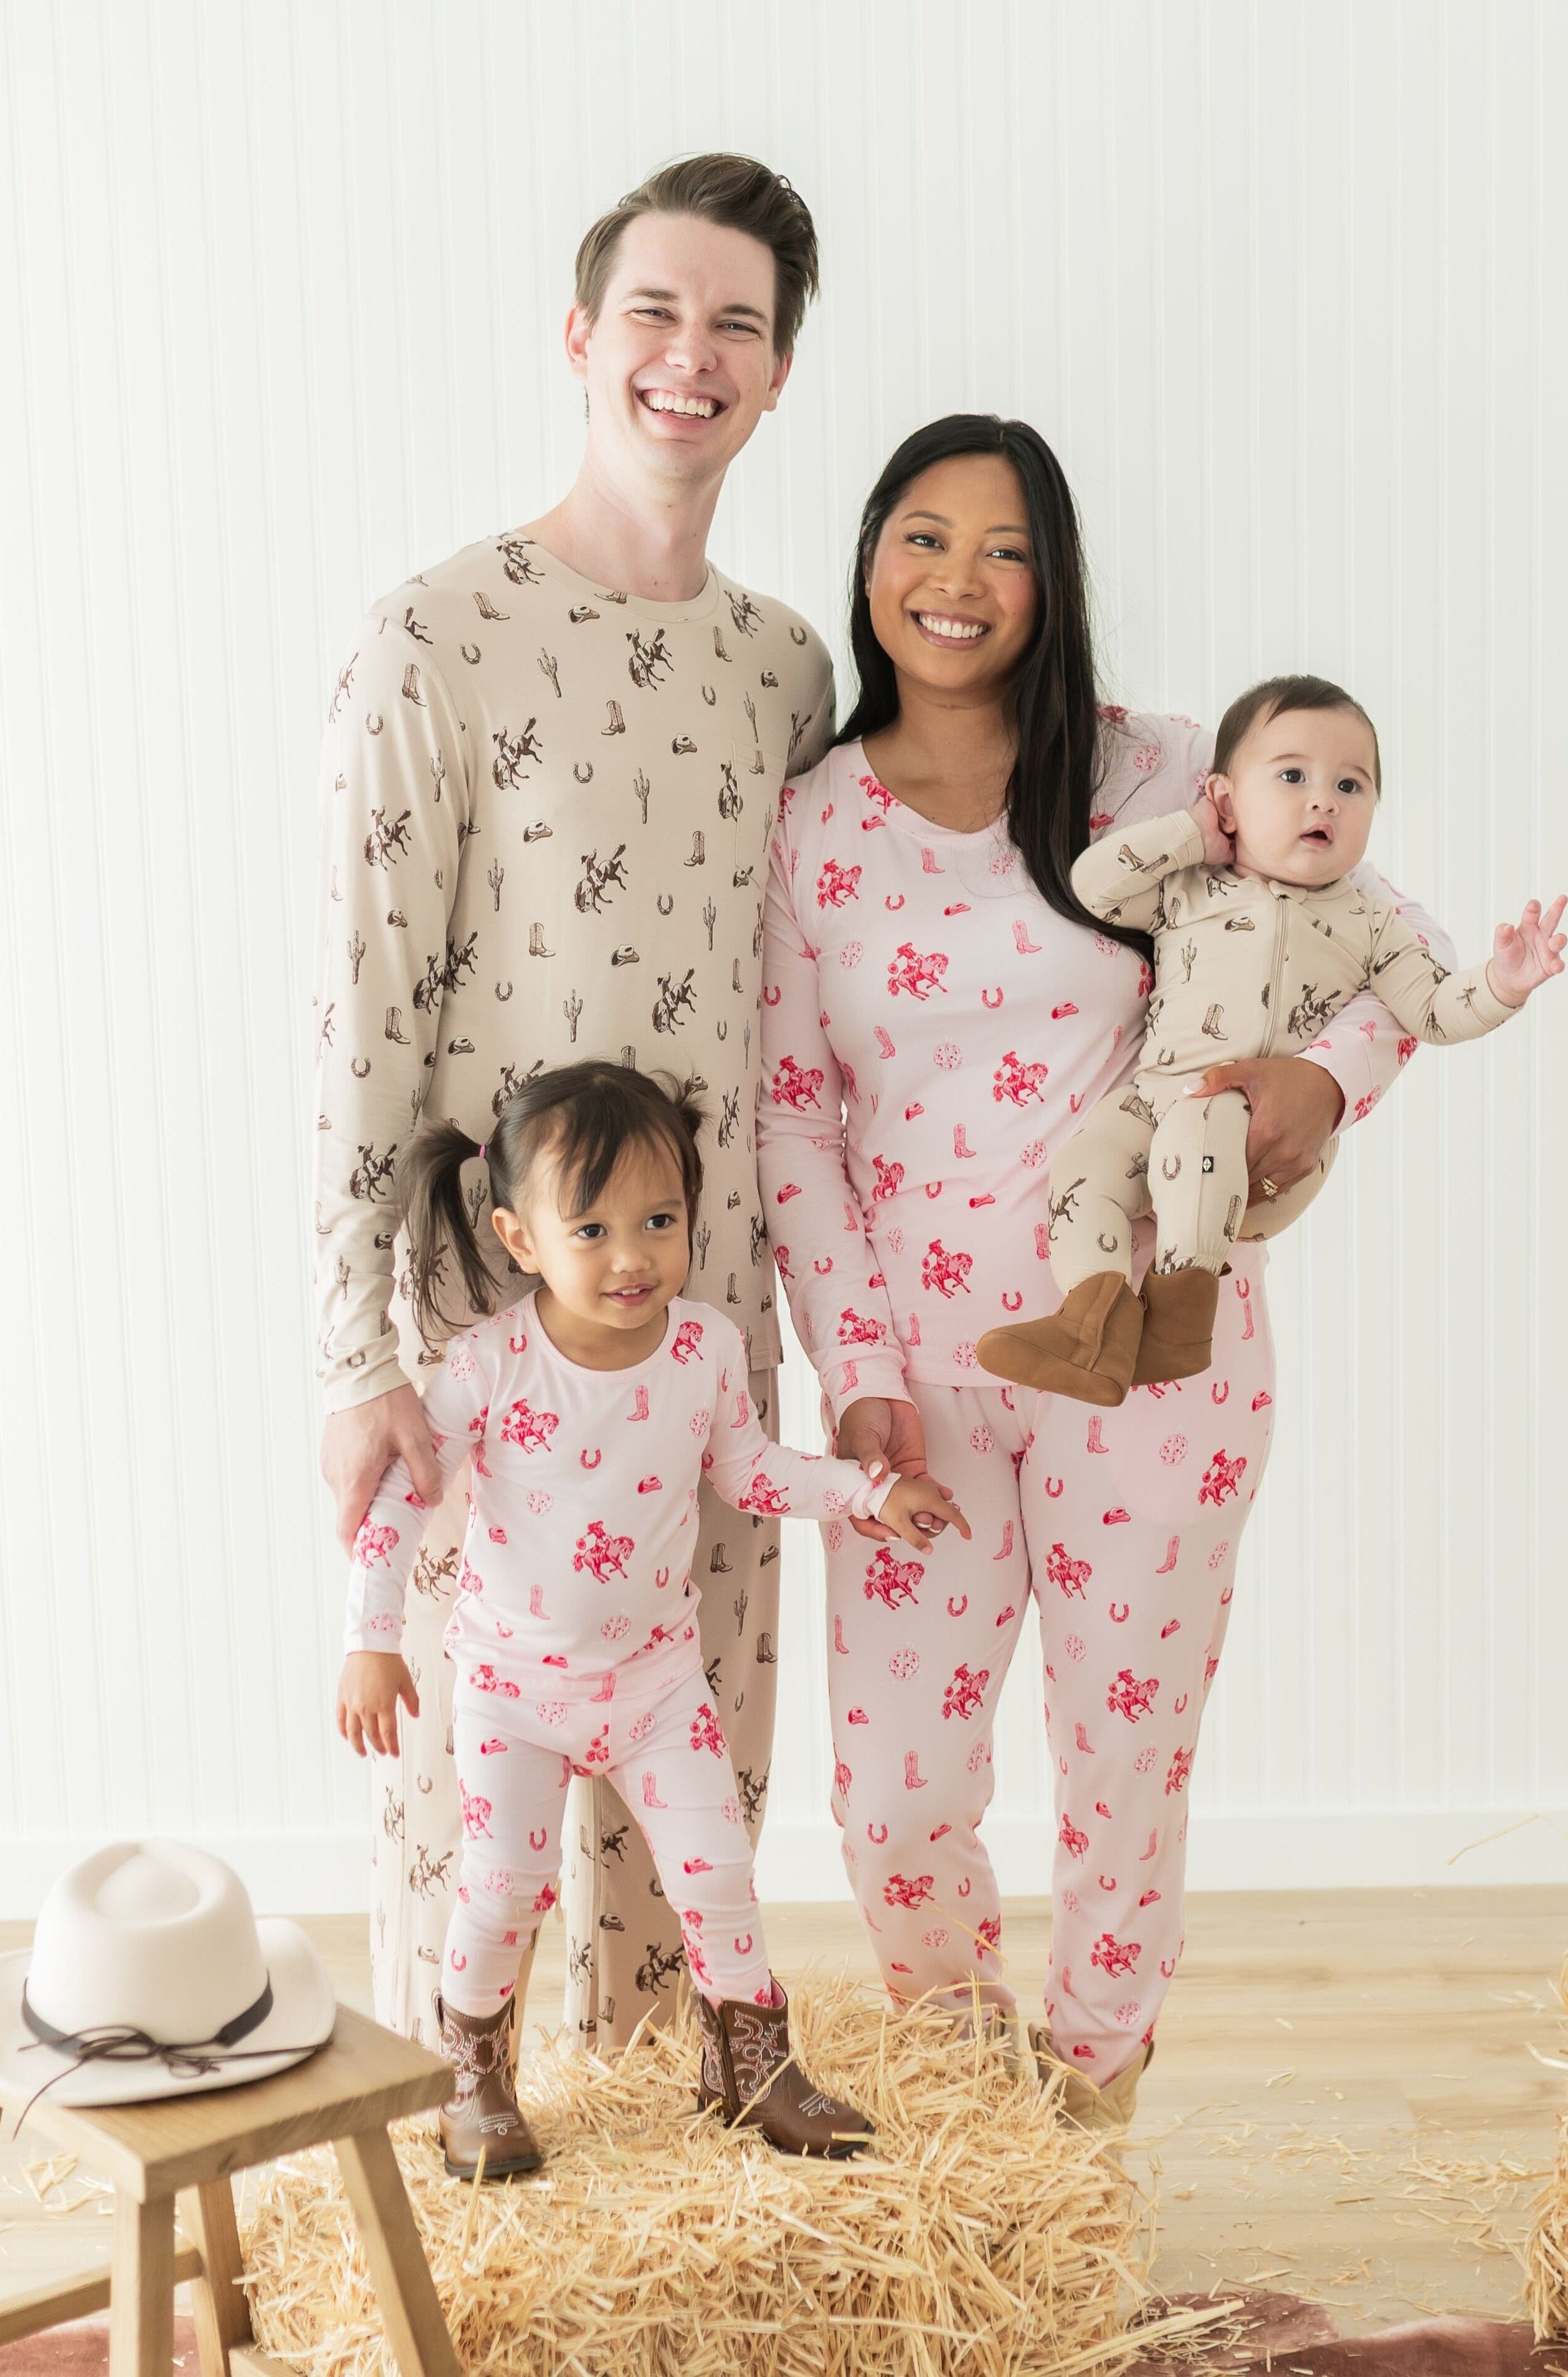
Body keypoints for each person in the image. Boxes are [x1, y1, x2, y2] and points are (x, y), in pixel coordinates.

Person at [756, 415, 1453, 2132]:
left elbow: (1386, 949)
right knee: (900, 1794)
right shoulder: (810, 827)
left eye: (1006, 548)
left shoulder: (1163, 775)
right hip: (921, 1378)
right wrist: (857, 1373)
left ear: (1054, 579)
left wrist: (1325, 1078)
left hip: (1160, 1359)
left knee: (1121, 1762)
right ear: (870, 559)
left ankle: (1091, 2115)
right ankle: (968, 2079)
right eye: (924, 536)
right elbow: (793, 1130)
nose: (962, 581)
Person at [311, 156, 835, 2053]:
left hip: (702, 1332)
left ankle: (673, 2199)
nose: (689, 358)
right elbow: (359, 1026)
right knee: (479, 1803)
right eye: (655, 312)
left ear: (777, 375)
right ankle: (472, 2185)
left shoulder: (784, 667)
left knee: (693, 1784)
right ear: (579, 336)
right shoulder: (434, 638)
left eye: (736, 326)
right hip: (487, 1326)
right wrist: (350, 1352)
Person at [337, 1062, 963, 2170]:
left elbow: (751, 1471)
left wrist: (867, 1494)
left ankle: (750, 2072)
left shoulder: (704, 1352)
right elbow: (399, 1499)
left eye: (658, 1221)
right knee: (502, 1888)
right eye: (591, 1229)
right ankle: (472, 2084)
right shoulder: (489, 1365)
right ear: (520, 1238)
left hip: (656, 1688)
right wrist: (369, 1642)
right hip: (511, 1692)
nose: (631, 1257)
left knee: (715, 1876)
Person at [977, 674, 1567, 1399]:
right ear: (1226, 797)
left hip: (1260, 1144)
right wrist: (1192, 833)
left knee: (1204, 1117)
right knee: (1082, 1169)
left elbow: (1435, 1012)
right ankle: (1093, 1322)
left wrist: (1506, 981)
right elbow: (1095, 883)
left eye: (1352, 786)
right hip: (1152, 1099)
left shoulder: (1372, 923)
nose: (1324, 799)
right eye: (1293, 776)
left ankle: (1178, 1320)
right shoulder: (1190, 885)